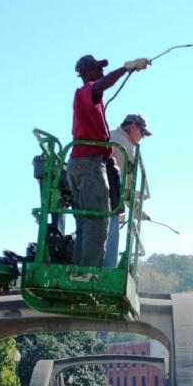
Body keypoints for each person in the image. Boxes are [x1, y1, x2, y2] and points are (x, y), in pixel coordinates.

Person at [67, 54, 151, 267]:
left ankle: (81, 270)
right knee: (99, 222)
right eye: (97, 68)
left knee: (86, 222)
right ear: (86, 73)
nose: (102, 71)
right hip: (90, 164)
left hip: (80, 163)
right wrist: (126, 68)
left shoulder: (91, 101)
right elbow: (100, 86)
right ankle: (89, 274)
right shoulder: (87, 91)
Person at [103, 114, 152, 268]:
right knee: (112, 230)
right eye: (142, 132)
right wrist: (138, 211)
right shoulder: (127, 147)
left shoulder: (110, 135)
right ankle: (108, 270)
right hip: (108, 201)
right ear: (132, 127)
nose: (142, 138)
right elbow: (125, 186)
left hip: (91, 192)